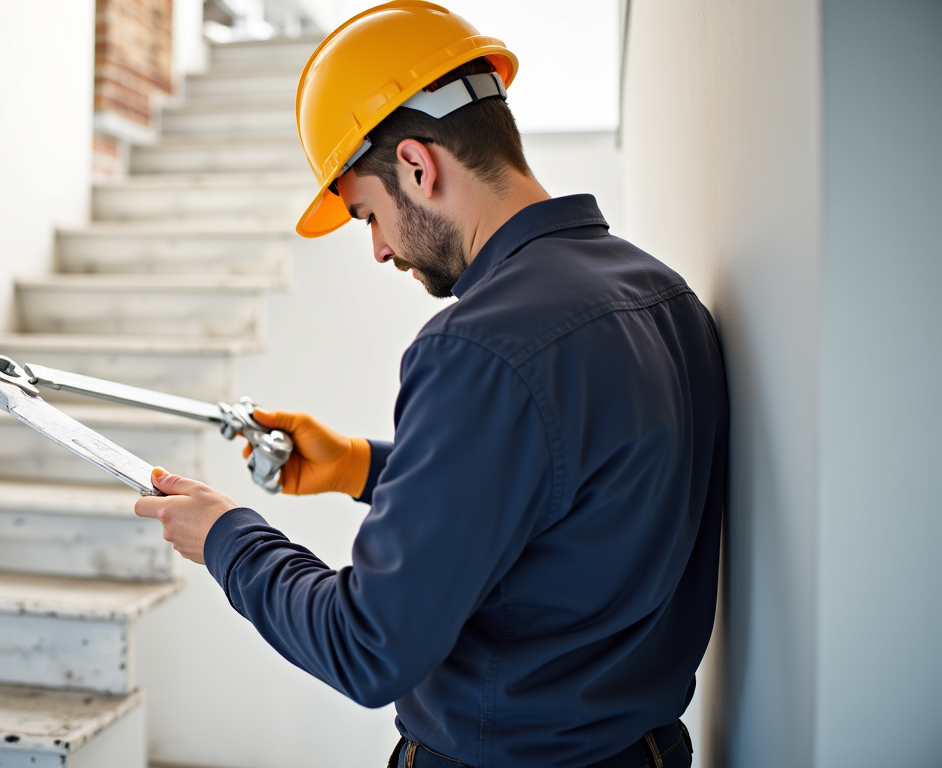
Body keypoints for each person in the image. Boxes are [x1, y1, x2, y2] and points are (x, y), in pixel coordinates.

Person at [134, 3, 728, 767]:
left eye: (367, 215)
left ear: (417, 164)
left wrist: (227, 539)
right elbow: (573, 498)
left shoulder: (478, 344)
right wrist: (360, 465)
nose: (379, 249)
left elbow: (367, 647)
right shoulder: (670, 302)